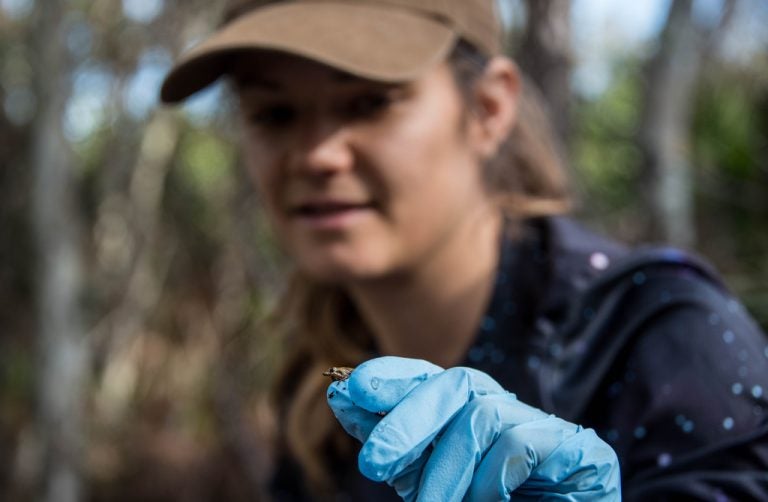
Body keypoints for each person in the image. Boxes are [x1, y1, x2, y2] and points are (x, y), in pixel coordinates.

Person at [160, 0, 768, 500]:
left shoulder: (661, 332)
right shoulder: (318, 383)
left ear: (488, 108)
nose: (318, 154)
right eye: (274, 113)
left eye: (369, 102)